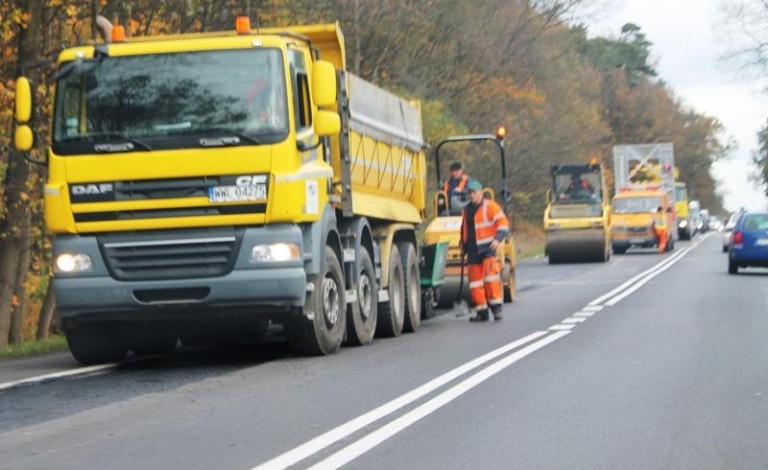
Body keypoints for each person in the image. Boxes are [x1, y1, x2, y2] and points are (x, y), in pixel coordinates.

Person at [460, 180, 510, 322]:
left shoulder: (490, 206)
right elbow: (464, 229)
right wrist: (463, 246)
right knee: (475, 282)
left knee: (491, 278)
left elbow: (503, 223)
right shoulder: (466, 209)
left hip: (487, 247)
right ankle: (481, 311)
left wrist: (497, 239)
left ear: (481, 193)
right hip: (472, 249)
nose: (472, 196)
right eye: (470, 193)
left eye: (474, 193)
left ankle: (496, 308)